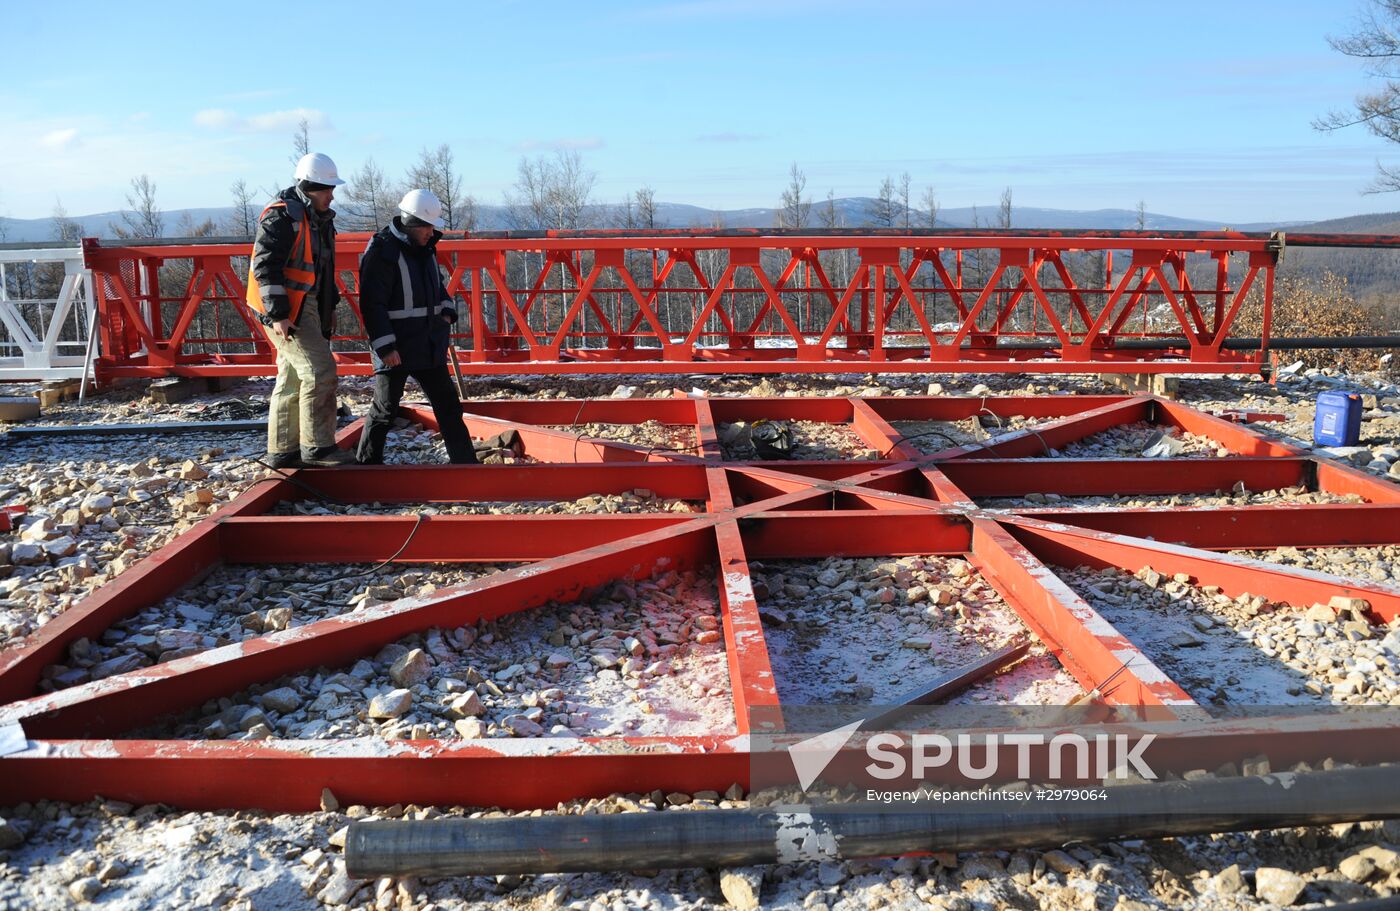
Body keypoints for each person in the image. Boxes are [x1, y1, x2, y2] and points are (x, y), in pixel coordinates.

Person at [245, 151, 355, 468]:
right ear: (308, 187)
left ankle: (282, 452)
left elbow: (321, 270)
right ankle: (318, 448)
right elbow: (265, 268)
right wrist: (278, 314)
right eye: (325, 189)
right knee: (320, 372)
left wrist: (329, 306)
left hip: (303, 306)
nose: (331, 196)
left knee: (292, 378)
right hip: (285, 310)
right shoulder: (282, 217)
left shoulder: (316, 220)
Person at [355, 188, 477, 465]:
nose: (432, 232)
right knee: (385, 410)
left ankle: (466, 465)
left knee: (448, 407)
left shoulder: (425, 248)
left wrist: (447, 310)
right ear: (413, 223)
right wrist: (385, 346)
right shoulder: (382, 251)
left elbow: (436, 287)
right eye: (428, 226)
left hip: (427, 344)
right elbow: (372, 304)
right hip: (396, 347)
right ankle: (366, 468)